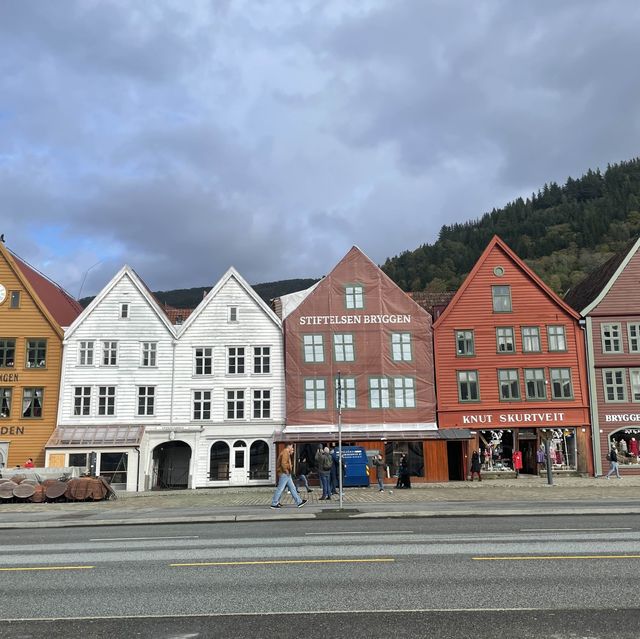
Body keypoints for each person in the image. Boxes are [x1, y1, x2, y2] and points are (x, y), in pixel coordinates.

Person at [270, 443, 307, 509]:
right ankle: (274, 503)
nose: (292, 448)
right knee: (280, 489)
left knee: (292, 488)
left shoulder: (286, 452)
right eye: (292, 447)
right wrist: (286, 471)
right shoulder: (285, 452)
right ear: (289, 446)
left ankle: (299, 502)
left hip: (286, 473)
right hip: (284, 473)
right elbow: (283, 463)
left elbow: (284, 463)